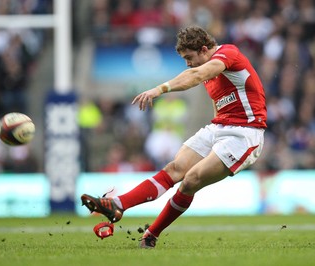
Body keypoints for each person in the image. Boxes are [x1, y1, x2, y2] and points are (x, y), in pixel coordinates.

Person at [81, 25, 267, 248]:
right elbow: (216, 101)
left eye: (189, 57)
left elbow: (196, 74)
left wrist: (160, 89)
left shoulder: (228, 53)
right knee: (174, 169)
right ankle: (117, 204)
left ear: (205, 49)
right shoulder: (207, 70)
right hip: (219, 127)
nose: (188, 63)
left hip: (244, 132)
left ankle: (151, 234)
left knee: (190, 180)